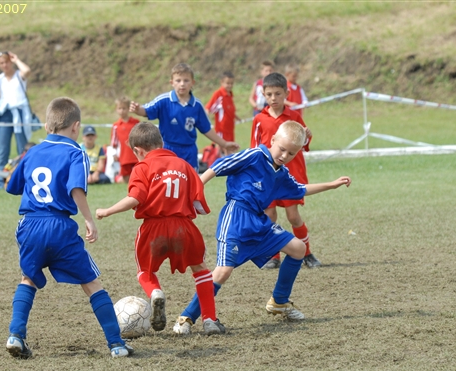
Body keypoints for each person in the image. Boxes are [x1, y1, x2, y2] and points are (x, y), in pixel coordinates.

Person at [172, 121, 351, 334]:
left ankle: (279, 301)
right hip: (236, 217)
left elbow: (300, 189)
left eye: (291, 153)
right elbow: (218, 166)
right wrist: (195, 188)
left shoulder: (281, 173)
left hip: (259, 221)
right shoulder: (255, 155)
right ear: (272, 140)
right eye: (282, 149)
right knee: (223, 272)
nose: (284, 156)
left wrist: (332, 185)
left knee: (298, 249)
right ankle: (186, 318)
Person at [4, 97, 133, 359]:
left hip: (30, 224)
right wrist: (88, 219)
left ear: (47, 125)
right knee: (91, 282)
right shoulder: (76, 152)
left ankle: (15, 335)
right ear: (76, 127)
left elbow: (12, 186)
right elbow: (76, 188)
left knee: (28, 278)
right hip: (59, 226)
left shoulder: (32, 152)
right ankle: (116, 344)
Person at [95, 122, 225, 335]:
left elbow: (135, 198)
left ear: (138, 150)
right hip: (184, 227)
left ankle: (155, 292)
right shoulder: (184, 165)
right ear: (161, 142)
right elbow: (199, 206)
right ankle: (209, 320)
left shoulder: (142, 167)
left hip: (153, 228)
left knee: (145, 271)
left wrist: (108, 211)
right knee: (201, 270)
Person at [250, 72, 319, 269]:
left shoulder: (294, 117)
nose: (273, 98)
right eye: (269, 94)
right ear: (263, 94)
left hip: (290, 174)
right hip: (267, 175)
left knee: (293, 216)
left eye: (278, 94)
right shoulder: (259, 119)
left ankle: (307, 254)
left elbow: (302, 144)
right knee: (269, 215)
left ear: (286, 94)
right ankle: (273, 256)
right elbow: (254, 148)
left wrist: (307, 137)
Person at [129, 63, 239, 172]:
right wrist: (138, 109)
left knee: (190, 180)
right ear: (172, 82)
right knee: (169, 179)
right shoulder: (164, 100)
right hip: (168, 149)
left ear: (192, 82)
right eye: (178, 80)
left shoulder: (196, 106)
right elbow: (147, 110)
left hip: (189, 151)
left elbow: (206, 129)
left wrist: (224, 144)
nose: (182, 84)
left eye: (186, 80)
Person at [0, 51, 33, 188]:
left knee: (23, 147)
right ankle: (0, 181)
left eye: (7, 62)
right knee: (3, 148)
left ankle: (24, 178)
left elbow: (27, 71)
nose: (5, 65)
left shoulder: (19, 75)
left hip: (19, 113)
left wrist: (16, 60)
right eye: (2, 63)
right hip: (5, 113)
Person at [205, 71, 241, 156]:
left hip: (230, 129)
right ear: (222, 82)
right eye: (227, 83)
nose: (230, 85)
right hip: (221, 129)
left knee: (230, 150)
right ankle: (213, 160)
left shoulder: (230, 95)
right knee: (220, 149)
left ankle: (228, 163)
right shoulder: (218, 94)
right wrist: (206, 120)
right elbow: (208, 108)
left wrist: (236, 117)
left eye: (231, 83)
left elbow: (228, 110)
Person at [110, 97, 139, 183]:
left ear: (128, 109)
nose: (122, 111)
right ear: (116, 109)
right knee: (126, 176)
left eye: (124, 108)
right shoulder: (116, 125)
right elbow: (114, 142)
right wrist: (114, 153)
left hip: (135, 153)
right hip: (124, 155)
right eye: (119, 108)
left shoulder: (136, 122)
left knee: (138, 172)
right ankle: (117, 178)